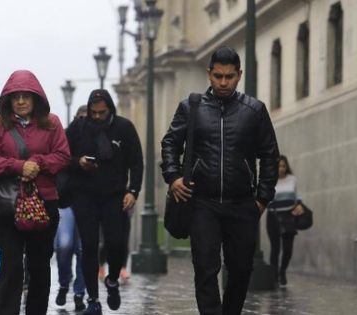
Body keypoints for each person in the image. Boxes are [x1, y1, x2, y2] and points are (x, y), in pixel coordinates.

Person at [160, 46, 279, 315]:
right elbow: (170, 143)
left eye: (229, 77)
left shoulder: (254, 110)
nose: (223, 83)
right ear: (209, 74)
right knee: (205, 267)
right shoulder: (191, 107)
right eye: (218, 76)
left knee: (240, 269)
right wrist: (173, 176)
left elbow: (269, 154)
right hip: (202, 202)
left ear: (239, 75)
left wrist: (262, 197)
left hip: (242, 203)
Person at [0, 70, 70, 315]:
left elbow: (63, 156)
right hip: (8, 203)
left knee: (39, 266)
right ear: (8, 99)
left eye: (26, 96)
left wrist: (38, 164)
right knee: (11, 266)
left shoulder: (52, 123)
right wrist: (19, 166)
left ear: (36, 98)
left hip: (44, 203)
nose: (20, 101)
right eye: (15, 96)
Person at [66, 89, 143, 315]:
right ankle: (93, 299)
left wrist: (133, 191)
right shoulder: (78, 128)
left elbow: (137, 162)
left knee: (116, 244)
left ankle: (112, 280)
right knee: (88, 247)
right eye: (93, 112)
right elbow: (61, 158)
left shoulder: (124, 128)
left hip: (115, 196)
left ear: (110, 109)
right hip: (85, 196)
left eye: (102, 112)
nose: (97, 116)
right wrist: (78, 162)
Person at [54, 105, 88, 311]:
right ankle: (64, 282)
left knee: (84, 249)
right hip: (65, 200)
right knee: (64, 245)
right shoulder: (64, 138)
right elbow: (58, 162)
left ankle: (79, 292)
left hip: (88, 202)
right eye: (80, 118)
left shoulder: (98, 140)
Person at [266, 155, 304, 287]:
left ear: (286, 166)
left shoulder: (292, 179)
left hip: (289, 215)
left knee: (288, 249)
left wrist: (299, 204)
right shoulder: (270, 180)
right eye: (278, 166)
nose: (281, 169)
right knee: (275, 248)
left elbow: (297, 195)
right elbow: (266, 197)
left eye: (283, 166)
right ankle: (274, 276)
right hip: (273, 216)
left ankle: (282, 271)